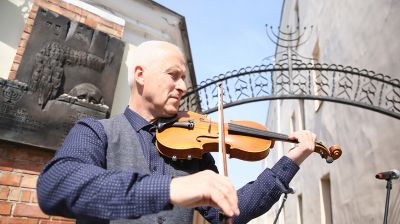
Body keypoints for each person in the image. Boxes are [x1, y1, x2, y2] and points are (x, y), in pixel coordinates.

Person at [37, 40, 317, 224]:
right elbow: (56, 186)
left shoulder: (191, 154)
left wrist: (291, 161)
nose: (183, 87)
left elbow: (233, 210)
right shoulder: (97, 132)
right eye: (173, 75)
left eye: (183, 78)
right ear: (140, 74)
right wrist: (171, 188)